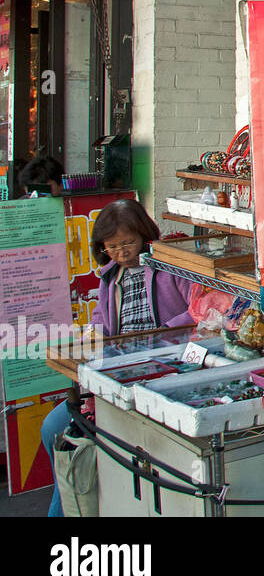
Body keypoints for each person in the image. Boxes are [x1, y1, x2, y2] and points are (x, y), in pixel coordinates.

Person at [40, 199, 195, 516]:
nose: (122, 252)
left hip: (163, 367)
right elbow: (101, 320)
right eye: (112, 246)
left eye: (128, 243)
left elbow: (197, 310)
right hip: (118, 367)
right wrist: (92, 336)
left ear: (145, 235)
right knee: (54, 429)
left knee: (69, 438)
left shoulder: (169, 267)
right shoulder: (111, 276)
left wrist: (164, 332)